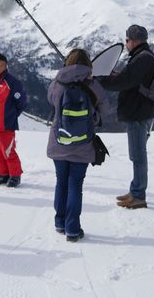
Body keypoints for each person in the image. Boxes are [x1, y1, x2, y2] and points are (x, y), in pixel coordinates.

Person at [47, 49, 110, 242]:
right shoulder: (93, 84)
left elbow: (51, 100)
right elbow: (105, 109)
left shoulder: (57, 82)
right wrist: (94, 116)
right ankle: (72, 228)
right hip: (83, 142)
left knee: (61, 182)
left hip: (60, 140)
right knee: (75, 185)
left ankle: (60, 222)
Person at [96, 25, 154, 209]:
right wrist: (117, 75)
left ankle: (138, 195)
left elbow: (124, 82)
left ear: (132, 41)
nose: (126, 44)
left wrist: (100, 79)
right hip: (141, 111)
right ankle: (135, 191)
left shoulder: (142, 59)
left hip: (137, 113)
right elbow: (130, 79)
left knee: (138, 155)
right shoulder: (145, 57)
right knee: (137, 154)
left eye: (127, 40)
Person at [0, 53, 27, 187]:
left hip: (5, 125)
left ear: (3, 64)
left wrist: (11, 116)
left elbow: (21, 102)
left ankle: (15, 175)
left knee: (8, 152)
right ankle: (3, 174)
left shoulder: (12, 82)